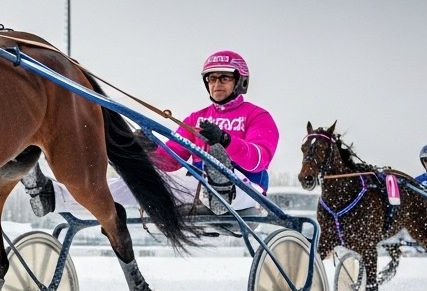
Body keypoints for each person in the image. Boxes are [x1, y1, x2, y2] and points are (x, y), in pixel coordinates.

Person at [24, 49, 280, 218]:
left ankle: (220, 189)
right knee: (137, 181)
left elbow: (258, 159)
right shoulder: (196, 119)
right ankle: (53, 197)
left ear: (240, 82)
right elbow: (170, 160)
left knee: (216, 178)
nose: (216, 84)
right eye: (212, 79)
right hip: (196, 190)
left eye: (224, 78)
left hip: (248, 191)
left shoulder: (257, 116)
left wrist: (225, 141)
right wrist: (146, 147)